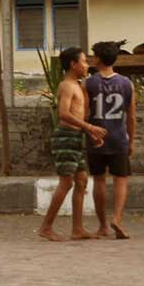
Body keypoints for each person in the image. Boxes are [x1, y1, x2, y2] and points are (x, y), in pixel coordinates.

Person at [37, 47, 106, 242]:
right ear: (73, 64)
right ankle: (46, 227)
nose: (87, 65)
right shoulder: (67, 86)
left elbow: (79, 114)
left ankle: (77, 228)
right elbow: (64, 114)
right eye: (84, 61)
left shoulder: (78, 85)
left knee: (82, 180)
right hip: (65, 136)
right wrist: (90, 127)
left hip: (76, 137)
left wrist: (88, 132)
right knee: (66, 182)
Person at [87, 41, 136, 240]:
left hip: (96, 138)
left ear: (98, 59)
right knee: (121, 180)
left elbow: (85, 113)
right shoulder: (127, 83)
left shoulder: (88, 83)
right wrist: (131, 141)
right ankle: (117, 218)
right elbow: (131, 117)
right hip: (118, 138)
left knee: (99, 180)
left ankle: (102, 226)